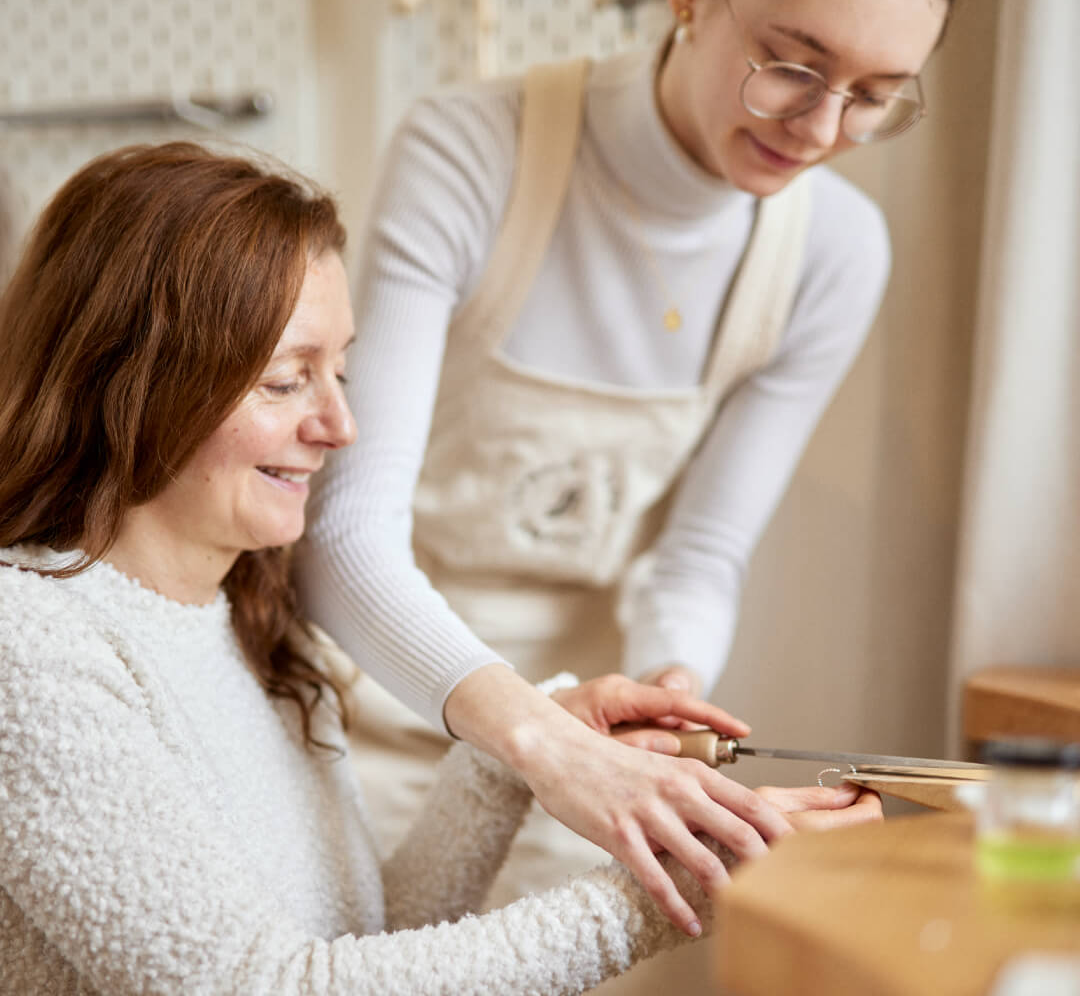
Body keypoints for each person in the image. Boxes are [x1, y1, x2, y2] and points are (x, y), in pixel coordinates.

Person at [0, 143, 879, 996]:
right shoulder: (28, 649)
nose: (340, 426)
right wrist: (676, 890)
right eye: (285, 381)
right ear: (133, 379)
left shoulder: (242, 624)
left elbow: (365, 942)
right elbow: (265, 986)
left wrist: (512, 760)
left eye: (339, 371)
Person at [294, 0, 963, 951]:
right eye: (793, 66)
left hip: (593, 763)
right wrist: (532, 737)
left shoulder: (834, 251)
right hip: (358, 726)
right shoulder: (471, 151)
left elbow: (697, 555)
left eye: (875, 97)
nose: (823, 129)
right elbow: (343, 534)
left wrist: (671, 688)